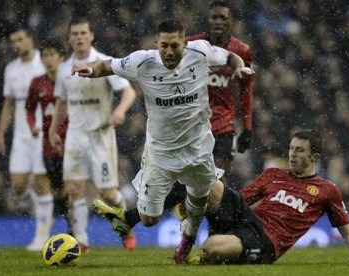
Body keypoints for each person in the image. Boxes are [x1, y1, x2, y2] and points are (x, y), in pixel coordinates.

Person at [74, 19, 254, 263]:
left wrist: (239, 67)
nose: (169, 52)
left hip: (199, 148)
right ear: (156, 43)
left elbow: (230, 57)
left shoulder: (200, 51)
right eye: (164, 46)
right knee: (149, 218)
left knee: (199, 202)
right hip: (161, 154)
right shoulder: (143, 61)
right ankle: (133, 220)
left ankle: (185, 244)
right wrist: (89, 70)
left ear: (185, 43)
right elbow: (107, 66)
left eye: (175, 46)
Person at [95, 129, 349, 265]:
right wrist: (205, 200)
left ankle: (193, 233)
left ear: (315, 156)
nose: (292, 154)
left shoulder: (327, 190)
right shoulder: (273, 175)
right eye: (290, 149)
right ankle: (131, 217)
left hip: (266, 243)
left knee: (212, 248)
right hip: (247, 219)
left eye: (299, 151)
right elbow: (240, 198)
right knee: (205, 178)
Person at [49, 17, 137, 252]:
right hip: (75, 136)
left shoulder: (103, 63)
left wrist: (119, 111)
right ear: (69, 38)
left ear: (91, 36)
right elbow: (62, 103)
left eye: (83, 33)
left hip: (101, 135)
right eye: (74, 33)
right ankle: (81, 240)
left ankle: (125, 227)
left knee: (106, 193)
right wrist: (53, 130)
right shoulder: (64, 69)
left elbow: (128, 92)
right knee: (74, 189)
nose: (78, 37)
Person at [188, 0, 254, 185]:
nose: (218, 21)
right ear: (208, 19)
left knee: (219, 180)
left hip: (223, 125)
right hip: (193, 123)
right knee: (191, 178)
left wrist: (247, 128)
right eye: (214, 17)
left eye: (223, 18)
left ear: (231, 21)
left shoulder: (242, 51)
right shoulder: (191, 44)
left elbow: (246, 89)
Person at [0, 26, 50, 251]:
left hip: (42, 133)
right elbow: (9, 103)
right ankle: (44, 204)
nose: (16, 44)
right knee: (18, 185)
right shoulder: (11, 69)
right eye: (12, 41)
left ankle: (41, 236)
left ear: (30, 40)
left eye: (20, 39)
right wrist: (0, 133)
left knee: (40, 183)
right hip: (20, 135)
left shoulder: (44, 63)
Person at [25, 39, 69, 228]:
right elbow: (29, 109)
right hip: (49, 142)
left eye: (52, 55)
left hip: (72, 139)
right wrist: (33, 125)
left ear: (61, 58)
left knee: (72, 185)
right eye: (45, 55)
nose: (48, 59)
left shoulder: (70, 79)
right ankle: (68, 219)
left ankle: (74, 226)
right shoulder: (37, 83)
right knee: (58, 188)